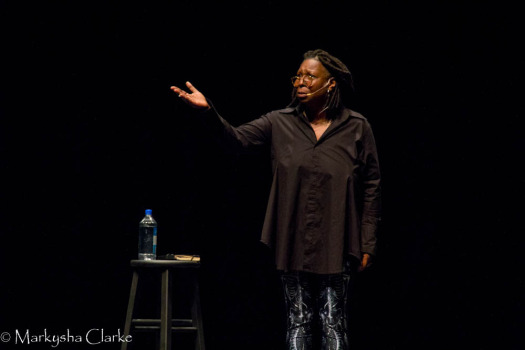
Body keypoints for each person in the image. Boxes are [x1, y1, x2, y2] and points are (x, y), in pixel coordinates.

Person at [170, 49, 381, 350]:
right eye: (298, 76)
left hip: (339, 239)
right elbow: (237, 140)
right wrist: (207, 111)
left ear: (330, 84)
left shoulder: (356, 127)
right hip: (292, 239)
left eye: (310, 76)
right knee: (298, 319)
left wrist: (368, 241)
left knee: (334, 322)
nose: (301, 82)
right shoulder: (279, 122)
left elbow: (372, 185)